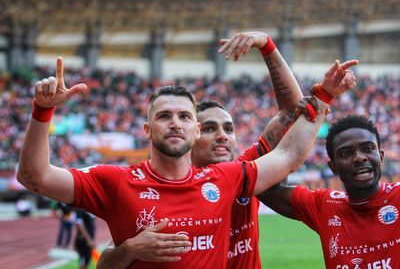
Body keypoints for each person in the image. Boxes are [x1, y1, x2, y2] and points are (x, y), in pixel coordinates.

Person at [17, 46, 350, 268]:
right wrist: (42, 111)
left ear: (195, 130)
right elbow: (35, 177)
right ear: (147, 130)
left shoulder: (226, 178)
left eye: (184, 117)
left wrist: (324, 95)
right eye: (164, 116)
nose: (174, 122)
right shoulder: (115, 180)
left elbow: (290, 153)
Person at [259, 115, 400, 269]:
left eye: (368, 149)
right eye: (345, 153)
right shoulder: (324, 206)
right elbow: (266, 188)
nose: (359, 158)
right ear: (333, 167)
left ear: (381, 157)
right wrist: (288, 118)